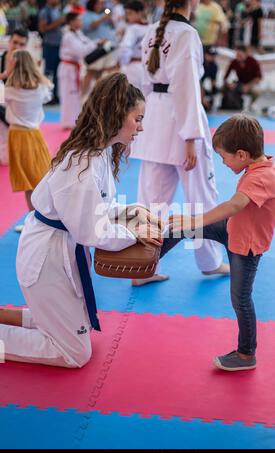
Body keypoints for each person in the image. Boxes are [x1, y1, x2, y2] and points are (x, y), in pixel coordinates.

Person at [0, 73, 162, 368]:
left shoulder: (99, 153)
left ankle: (8, 315)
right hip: (47, 259)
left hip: (60, 249)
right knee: (75, 354)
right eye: (137, 119)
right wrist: (134, 233)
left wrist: (131, 212)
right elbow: (92, 231)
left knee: (79, 329)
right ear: (116, 115)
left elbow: (96, 207)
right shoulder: (83, 166)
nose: (140, 127)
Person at [168, 114, 275, 371]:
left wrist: (195, 220)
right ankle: (148, 258)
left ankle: (246, 355)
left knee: (240, 299)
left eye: (224, 157)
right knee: (178, 229)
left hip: (245, 247)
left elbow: (234, 205)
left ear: (241, 154)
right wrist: (190, 223)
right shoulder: (258, 166)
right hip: (233, 231)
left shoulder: (261, 177)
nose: (222, 162)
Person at [131, 0, 229, 286]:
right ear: (192, 2)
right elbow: (185, 86)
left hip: (154, 116)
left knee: (150, 201)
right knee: (201, 195)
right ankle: (210, 262)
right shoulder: (186, 34)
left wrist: (139, 122)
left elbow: (144, 83)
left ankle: (141, 266)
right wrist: (190, 138)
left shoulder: (151, 31)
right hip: (180, 122)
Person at [5, 50, 52, 218]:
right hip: (35, 134)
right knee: (41, 176)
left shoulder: (10, 89)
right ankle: (40, 217)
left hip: (17, 135)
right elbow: (47, 95)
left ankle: (34, 219)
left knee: (27, 181)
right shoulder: (41, 88)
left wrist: (5, 73)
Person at [57, 12, 102, 129]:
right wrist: (96, 43)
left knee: (75, 96)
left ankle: (74, 121)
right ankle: (67, 123)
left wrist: (98, 42)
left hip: (75, 67)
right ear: (71, 22)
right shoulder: (68, 36)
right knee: (68, 95)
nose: (81, 22)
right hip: (67, 68)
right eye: (78, 20)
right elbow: (81, 50)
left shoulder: (77, 33)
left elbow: (86, 42)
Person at [38, 0, 65, 104]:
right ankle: (47, 96)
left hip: (59, 45)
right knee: (49, 72)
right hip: (50, 45)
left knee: (57, 72)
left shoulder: (57, 10)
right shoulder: (45, 12)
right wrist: (58, 22)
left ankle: (55, 95)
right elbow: (42, 29)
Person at [119, 0, 149, 89]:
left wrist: (123, 65)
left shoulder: (132, 29)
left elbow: (125, 48)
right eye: (126, 14)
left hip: (134, 66)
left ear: (139, 13)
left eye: (130, 13)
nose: (128, 17)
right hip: (149, 67)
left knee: (133, 97)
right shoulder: (152, 27)